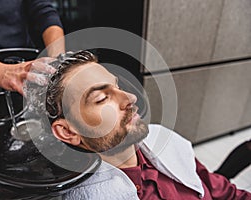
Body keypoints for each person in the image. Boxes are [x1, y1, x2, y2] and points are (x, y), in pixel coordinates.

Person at [44, 50, 251, 199]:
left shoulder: (168, 145)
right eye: (101, 98)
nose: (131, 98)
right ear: (68, 131)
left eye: (117, 86)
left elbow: (221, 190)